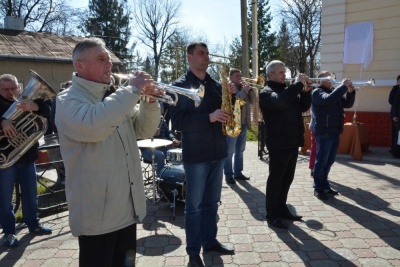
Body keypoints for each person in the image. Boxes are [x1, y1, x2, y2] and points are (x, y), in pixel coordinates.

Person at [55, 37, 161, 266]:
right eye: (101, 59)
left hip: (126, 207)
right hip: (97, 216)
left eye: (109, 59)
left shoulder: (115, 97)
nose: (109, 64)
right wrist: (132, 90)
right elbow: (94, 126)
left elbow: (143, 130)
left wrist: (150, 102)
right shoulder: (67, 100)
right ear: (80, 66)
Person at [169, 42, 235, 267]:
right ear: (189, 57)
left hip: (218, 152)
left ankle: (210, 241)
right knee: (194, 206)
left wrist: (232, 96)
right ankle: (193, 251)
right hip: (196, 155)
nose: (206, 57)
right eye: (200, 53)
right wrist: (208, 117)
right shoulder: (180, 85)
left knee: (212, 203)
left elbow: (225, 112)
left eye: (207, 53)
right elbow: (177, 122)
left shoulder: (215, 84)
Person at [0, 74, 52, 248]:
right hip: (5, 161)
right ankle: (9, 232)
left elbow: (47, 111)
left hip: (27, 156)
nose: (10, 92)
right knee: (5, 199)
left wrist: (35, 106)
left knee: (31, 195)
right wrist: (2, 122)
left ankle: (34, 225)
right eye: (5, 89)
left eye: (13, 88)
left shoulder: (27, 99)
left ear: (19, 87)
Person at [259, 60, 312, 229]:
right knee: (276, 180)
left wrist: (306, 92)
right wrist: (297, 85)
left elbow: (303, 107)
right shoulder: (266, 92)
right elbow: (280, 102)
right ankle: (272, 214)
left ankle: (282, 209)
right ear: (271, 75)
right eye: (281, 72)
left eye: (284, 72)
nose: (284, 75)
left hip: (292, 141)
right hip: (278, 143)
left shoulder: (286, 90)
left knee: (287, 179)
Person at [311, 71, 355, 200]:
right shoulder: (317, 92)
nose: (331, 80)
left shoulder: (335, 92)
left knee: (329, 161)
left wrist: (351, 91)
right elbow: (328, 100)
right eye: (328, 78)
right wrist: (343, 87)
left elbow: (347, 104)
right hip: (323, 131)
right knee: (321, 161)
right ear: (321, 81)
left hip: (335, 131)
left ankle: (325, 185)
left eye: (332, 78)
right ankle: (318, 188)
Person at [224, 68, 256, 184]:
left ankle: (238, 173)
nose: (240, 77)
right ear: (231, 77)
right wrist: (244, 91)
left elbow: (253, 101)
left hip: (243, 124)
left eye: (240, 75)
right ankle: (228, 175)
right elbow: (236, 101)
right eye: (237, 75)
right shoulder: (229, 87)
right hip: (232, 124)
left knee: (240, 150)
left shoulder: (243, 88)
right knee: (229, 151)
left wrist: (250, 90)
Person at [388, 75, 400, 155]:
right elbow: (391, 100)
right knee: (395, 132)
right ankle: (394, 149)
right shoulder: (395, 89)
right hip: (396, 113)